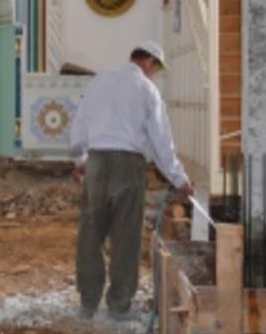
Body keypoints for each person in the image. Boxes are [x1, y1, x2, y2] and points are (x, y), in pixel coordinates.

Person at [69, 40, 194, 320]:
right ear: (151, 63)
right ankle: (119, 305)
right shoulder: (147, 90)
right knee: (125, 236)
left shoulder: (100, 80)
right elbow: (162, 143)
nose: (154, 75)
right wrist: (180, 178)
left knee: (91, 233)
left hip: (97, 162)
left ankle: (87, 304)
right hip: (128, 164)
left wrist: (80, 160)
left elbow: (80, 123)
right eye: (156, 70)